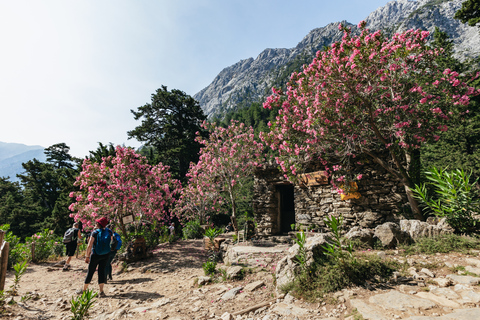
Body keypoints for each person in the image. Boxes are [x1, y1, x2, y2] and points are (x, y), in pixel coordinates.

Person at [77, 217, 114, 297]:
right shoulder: (109, 231)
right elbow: (111, 241)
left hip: (95, 254)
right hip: (106, 254)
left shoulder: (95, 232)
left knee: (90, 271)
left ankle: (84, 290)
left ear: (98, 224)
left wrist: (87, 256)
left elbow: (90, 245)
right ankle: (101, 291)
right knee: (101, 271)